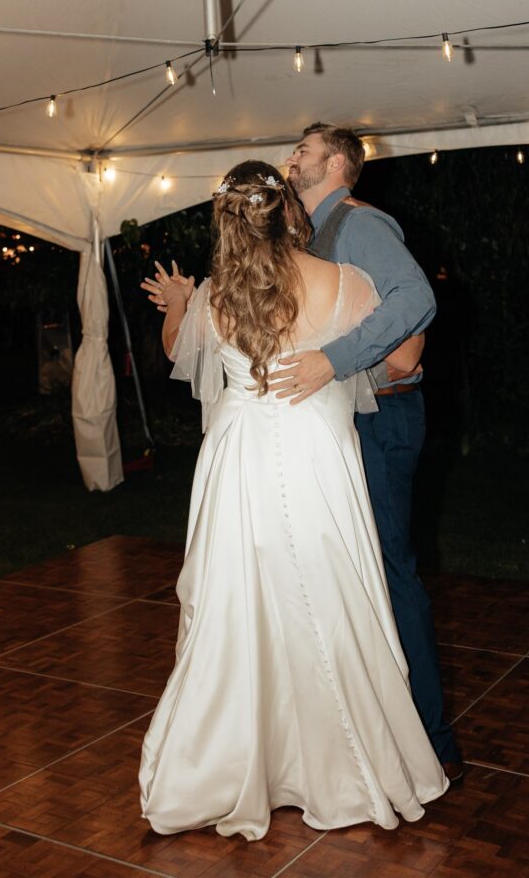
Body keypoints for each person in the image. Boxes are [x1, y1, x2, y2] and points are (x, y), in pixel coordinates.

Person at [138, 161, 448, 841]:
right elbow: (403, 357)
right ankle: (343, 770)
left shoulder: (217, 295)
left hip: (236, 464)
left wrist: (179, 308)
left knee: (241, 606)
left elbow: (180, 357)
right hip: (315, 459)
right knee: (327, 598)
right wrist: (344, 358)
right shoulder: (341, 282)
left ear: (223, 221)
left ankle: (225, 768)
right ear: (288, 212)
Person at [268, 123, 462, 779]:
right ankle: (376, 734)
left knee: (388, 573)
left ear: (340, 164)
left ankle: (431, 747)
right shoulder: (310, 234)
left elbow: (417, 299)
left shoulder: (359, 224)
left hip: (386, 418)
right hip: (356, 418)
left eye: (305, 149)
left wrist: (333, 359)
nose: (291, 156)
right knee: (356, 575)